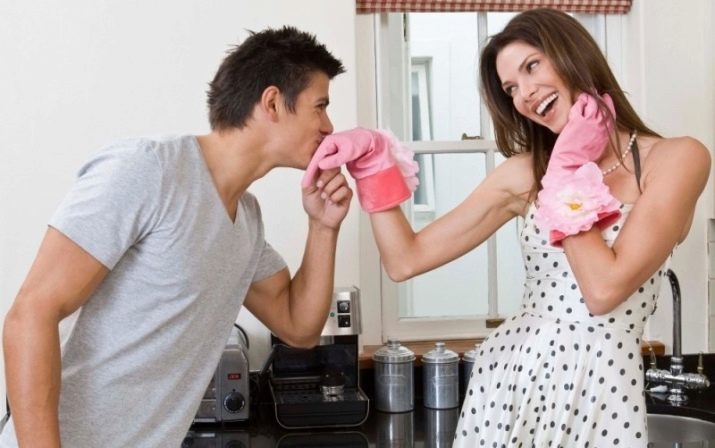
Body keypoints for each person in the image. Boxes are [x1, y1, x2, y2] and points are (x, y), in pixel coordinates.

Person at [303, 8, 710, 447]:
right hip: (510, 384)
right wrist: (373, 164)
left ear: (573, 55)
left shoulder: (676, 159)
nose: (525, 94)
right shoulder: (524, 173)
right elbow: (405, 260)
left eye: (532, 66)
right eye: (511, 88)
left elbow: (603, 290)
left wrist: (567, 171)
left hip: (604, 393)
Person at [1, 26, 352, 447]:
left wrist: (323, 226)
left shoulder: (246, 219)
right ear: (273, 102)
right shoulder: (149, 170)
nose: (329, 126)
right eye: (320, 106)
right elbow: (30, 315)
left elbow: (299, 327)